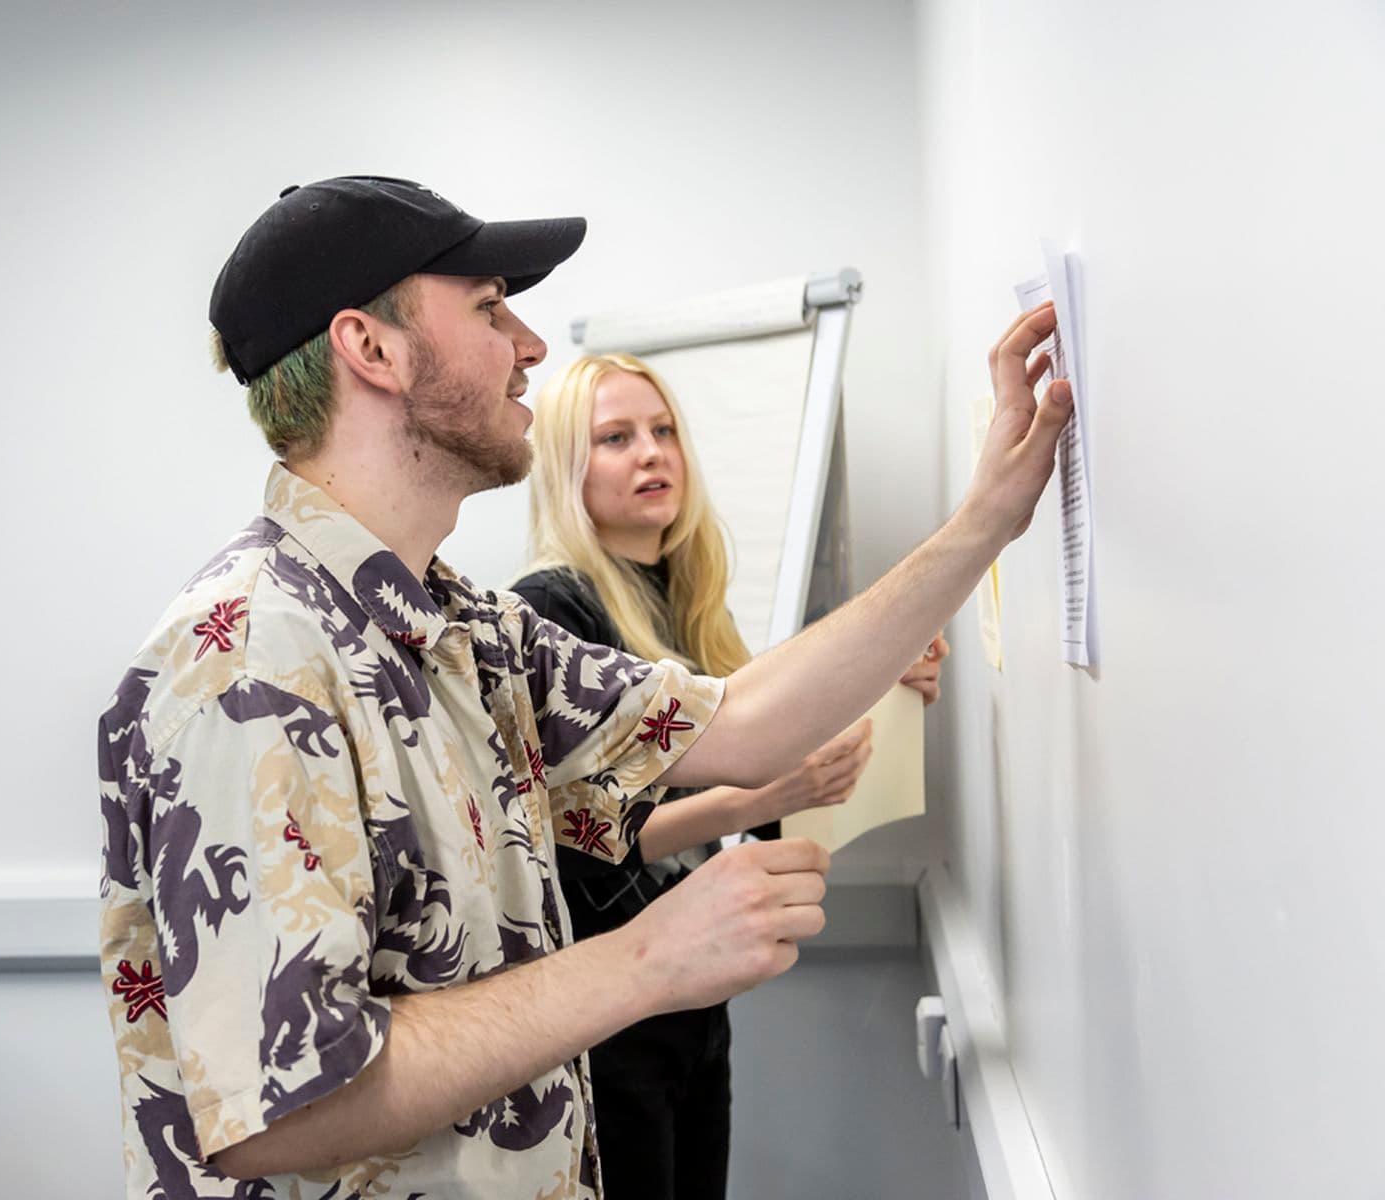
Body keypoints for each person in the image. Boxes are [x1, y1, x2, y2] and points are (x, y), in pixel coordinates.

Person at [96, 175, 1069, 1200]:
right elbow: (277, 1108)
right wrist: (647, 960)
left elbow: (741, 723)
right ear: (370, 348)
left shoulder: (466, 628)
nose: (529, 345)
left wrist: (988, 518)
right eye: (487, 308)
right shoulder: (248, 657)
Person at [511, 351, 950, 1199]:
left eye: (664, 430)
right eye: (615, 438)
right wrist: (768, 790)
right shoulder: (552, 611)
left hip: (696, 1001)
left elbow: (768, 808)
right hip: (612, 1012)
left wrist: (880, 703)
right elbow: (583, 841)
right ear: (568, 469)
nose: (652, 453)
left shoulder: (687, 603)